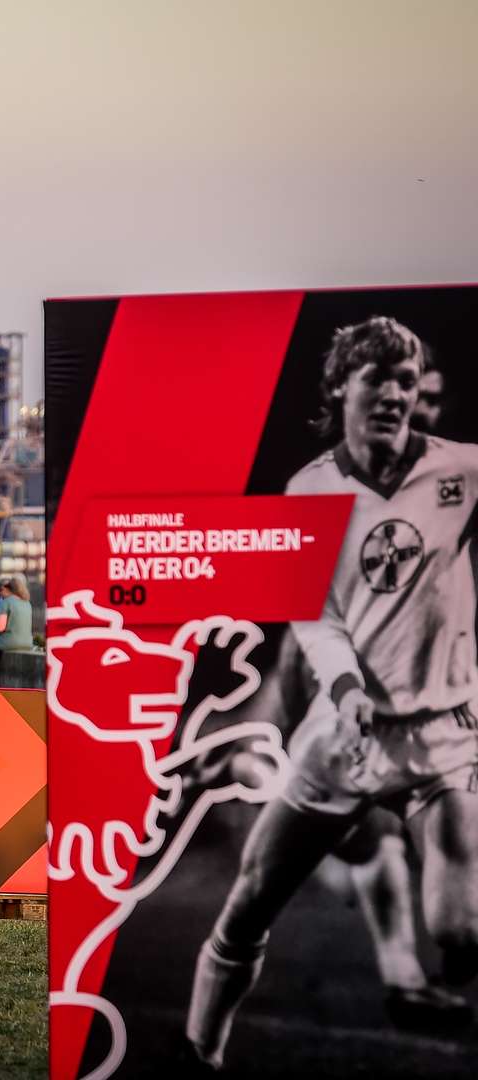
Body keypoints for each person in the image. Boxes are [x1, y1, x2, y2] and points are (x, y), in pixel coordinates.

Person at [186, 316, 478, 1067]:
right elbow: (313, 619)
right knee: (252, 899)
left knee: (459, 926)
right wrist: (346, 690)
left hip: (441, 738)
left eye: (406, 381)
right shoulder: (310, 488)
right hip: (343, 736)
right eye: (377, 378)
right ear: (342, 386)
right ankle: (200, 1053)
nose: (394, 394)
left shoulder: (462, 472)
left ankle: (417, 974)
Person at [0, 576, 35, 684]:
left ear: (8, 589)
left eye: (0, 591)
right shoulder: (27, 603)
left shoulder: (6, 602)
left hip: (9, 643)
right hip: (27, 644)